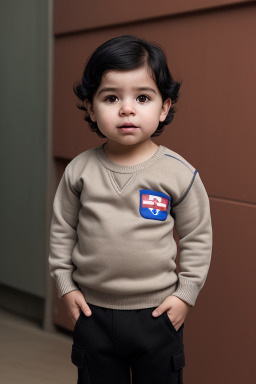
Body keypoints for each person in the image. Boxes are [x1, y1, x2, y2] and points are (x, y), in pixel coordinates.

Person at [48, 35, 213, 384]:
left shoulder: (178, 173)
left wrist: (186, 294)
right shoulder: (80, 171)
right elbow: (63, 230)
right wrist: (65, 285)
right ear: (91, 108)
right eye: (111, 98)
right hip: (92, 311)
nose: (127, 108)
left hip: (157, 313)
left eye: (142, 97)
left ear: (164, 107)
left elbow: (197, 236)